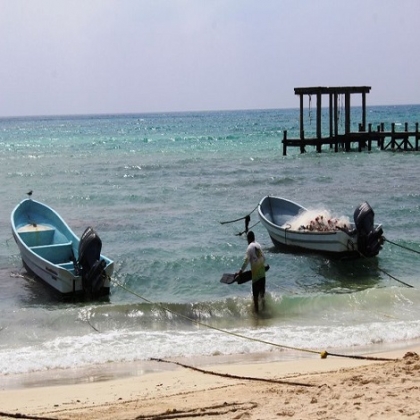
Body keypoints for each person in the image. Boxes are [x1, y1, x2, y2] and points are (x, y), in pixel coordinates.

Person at [237, 231, 266, 313]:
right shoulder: (258, 245)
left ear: (248, 239)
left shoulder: (249, 247)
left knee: (256, 298)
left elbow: (246, 261)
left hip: (256, 276)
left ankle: (257, 316)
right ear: (254, 238)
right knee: (262, 296)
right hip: (263, 274)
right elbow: (264, 259)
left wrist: (240, 272)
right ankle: (264, 312)